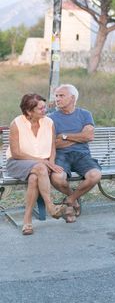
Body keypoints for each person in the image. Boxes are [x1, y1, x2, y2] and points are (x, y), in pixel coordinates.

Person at [6, 94, 66, 235]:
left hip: (42, 166)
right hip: (18, 162)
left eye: (44, 107)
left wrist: (50, 163)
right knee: (39, 168)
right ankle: (50, 206)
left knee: (34, 178)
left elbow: (52, 147)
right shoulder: (17, 123)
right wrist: (43, 162)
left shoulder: (49, 122)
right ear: (29, 111)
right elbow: (16, 153)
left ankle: (27, 222)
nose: (45, 110)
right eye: (40, 108)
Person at [48, 84, 102, 224]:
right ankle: (74, 200)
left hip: (81, 155)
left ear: (72, 98)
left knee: (95, 175)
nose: (57, 99)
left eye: (61, 96)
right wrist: (78, 137)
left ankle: (69, 200)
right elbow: (53, 144)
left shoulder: (85, 114)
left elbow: (88, 137)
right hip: (61, 155)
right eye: (56, 96)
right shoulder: (50, 118)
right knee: (57, 178)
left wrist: (64, 136)